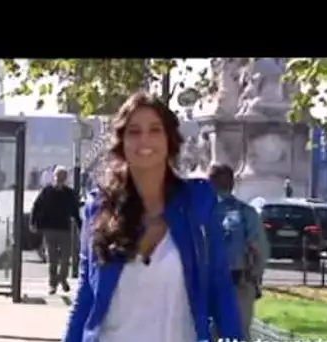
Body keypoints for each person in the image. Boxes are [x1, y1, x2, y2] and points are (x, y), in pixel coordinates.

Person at [63, 92, 242, 342]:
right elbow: (86, 297)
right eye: (134, 131)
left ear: (170, 139)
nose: (144, 140)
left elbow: (220, 285)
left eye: (155, 130)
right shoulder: (99, 207)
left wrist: (233, 336)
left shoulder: (198, 202)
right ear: (121, 142)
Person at [208, 163, 269, 341]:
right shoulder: (246, 213)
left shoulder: (198, 213)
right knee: (238, 335)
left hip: (203, 286)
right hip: (239, 284)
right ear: (232, 184)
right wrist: (254, 278)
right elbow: (260, 250)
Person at [30, 166, 82, 295]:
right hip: (50, 229)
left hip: (65, 229)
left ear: (66, 179)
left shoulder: (69, 193)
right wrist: (33, 222)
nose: (60, 180)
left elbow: (75, 211)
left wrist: (80, 225)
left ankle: (62, 278)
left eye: (63, 178)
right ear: (54, 177)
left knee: (65, 258)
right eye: (58, 177)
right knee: (52, 259)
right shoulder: (47, 191)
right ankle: (53, 284)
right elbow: (36, 206)